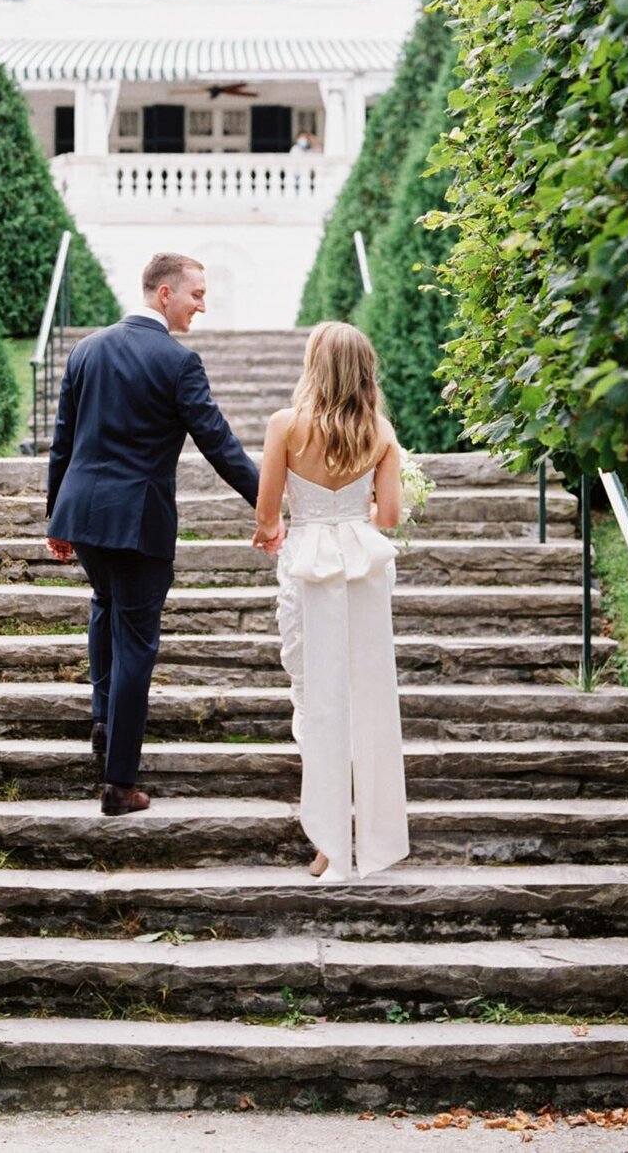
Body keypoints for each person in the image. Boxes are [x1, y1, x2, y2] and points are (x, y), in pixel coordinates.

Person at [46, 252, 279, 816]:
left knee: (105, 605)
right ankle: (119, 783)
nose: (204, 304)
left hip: (84, 516)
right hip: (138, 522)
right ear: (165, 293)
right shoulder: (178, 363)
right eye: (197, 293)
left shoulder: (87, 350)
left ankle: (104, 721)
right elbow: (219, 444)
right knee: (137, 645)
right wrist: (268, 507)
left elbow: (62, 442)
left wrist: (57, 516)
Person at [252, 321, 410, 881]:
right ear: (365, 370)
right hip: (363, 569)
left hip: (309, 572)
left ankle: (328, 844)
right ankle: (373, 838)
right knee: (367, 698)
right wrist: (351, 513)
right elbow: (387, 518)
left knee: (318, 700)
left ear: (314, 366)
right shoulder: (381, 433)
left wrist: (276, 529)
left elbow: (268, 513)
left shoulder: (285, 426)